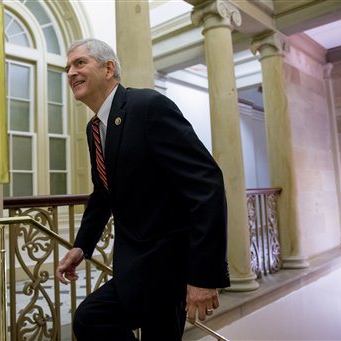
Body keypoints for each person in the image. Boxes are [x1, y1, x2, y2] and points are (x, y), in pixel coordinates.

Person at [55, 38, 230, 341]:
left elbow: (207, 184)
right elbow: (102, 193)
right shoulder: (94, 128)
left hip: (168, 267)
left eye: (79, 63)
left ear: (109, 68)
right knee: (90, 321)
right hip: (136, 267)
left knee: (90, 319)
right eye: (68, 67)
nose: (70, 72)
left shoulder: (147, 106)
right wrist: (82, 246)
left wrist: (203, 276)